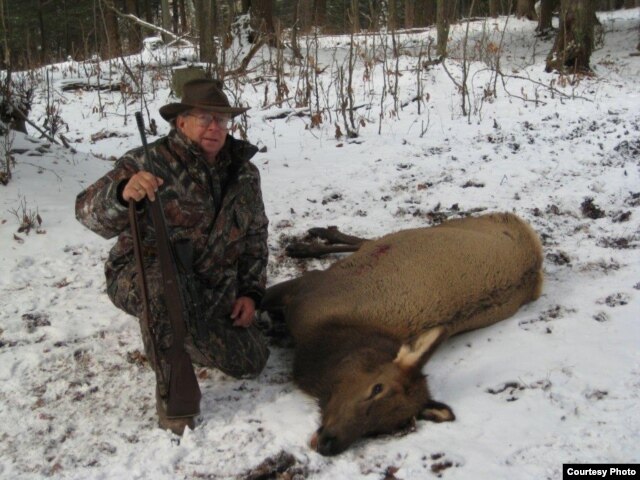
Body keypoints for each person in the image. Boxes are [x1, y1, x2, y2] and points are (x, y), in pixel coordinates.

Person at [76, 79, 270, 434]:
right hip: (144, 274)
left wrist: (250, 292)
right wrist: (122, 193)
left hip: (209, 287)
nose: (214, 127)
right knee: (164, 293)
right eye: (204, 118)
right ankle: (175, 398)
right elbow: (87, 212)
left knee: (252, 360)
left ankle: (182, 332)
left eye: (221, 121)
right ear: (181, 122)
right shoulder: (146, 162)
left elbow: (255, 237)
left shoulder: (244, 173)